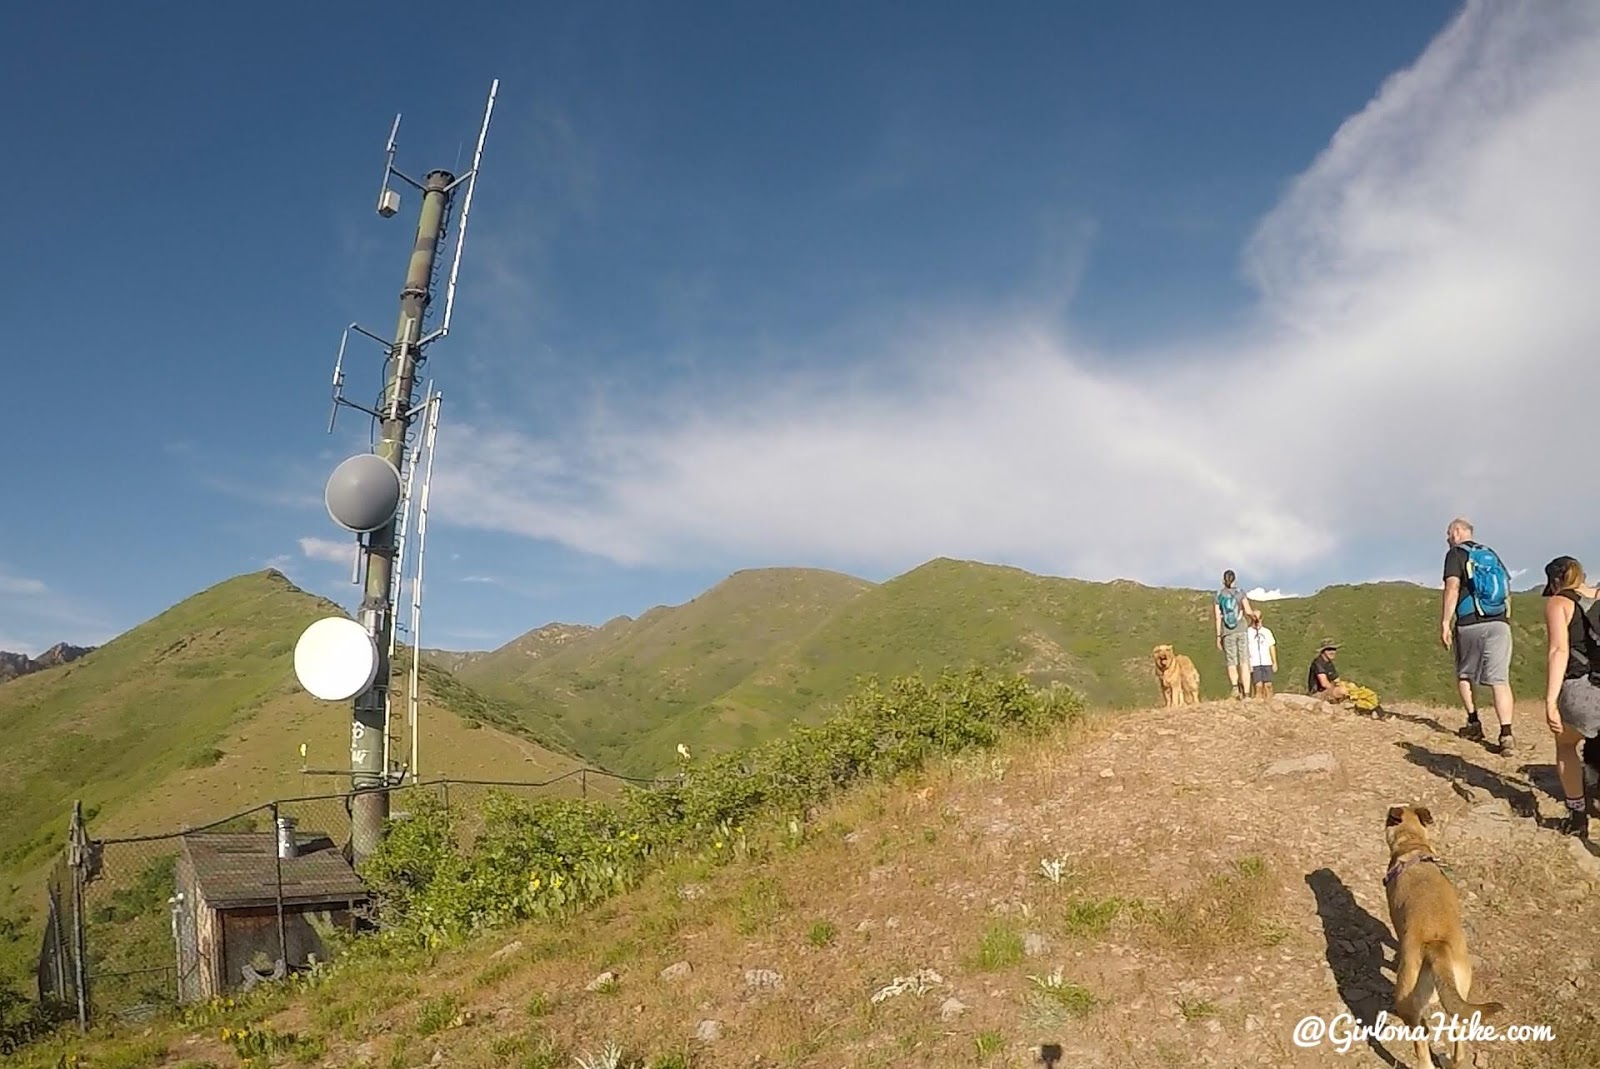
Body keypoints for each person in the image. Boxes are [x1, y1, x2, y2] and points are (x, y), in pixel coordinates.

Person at [1440, 518, 1516, 756]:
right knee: (1500, 680)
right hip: (1499, 622)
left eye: (1449, 533)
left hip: (1469, 622)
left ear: (1458, 531)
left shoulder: (1456, 554)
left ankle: (1474, 723)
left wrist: (1445, 622)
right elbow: (1506, 589)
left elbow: (1452, 588)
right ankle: (1506, 734)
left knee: (1464, 673)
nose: (1447, 539)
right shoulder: (1490, 554)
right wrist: (1505, 619)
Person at [1539, 556, 1599, 838]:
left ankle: (1578, 817)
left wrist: (1551, 701)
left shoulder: (1558, 603)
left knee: (1566, 745)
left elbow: (1558, 651)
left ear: (1555, 582)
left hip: (1581, 691)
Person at [1214, 570, 1255, 700]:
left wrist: (1218, 636)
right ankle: (1247, 694)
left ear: (1223, 581)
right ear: (1235, 580)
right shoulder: (1240, 593)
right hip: (1241, 629)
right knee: (1244, 661)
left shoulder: (1219, 595)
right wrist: (1254, 618)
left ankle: (1235, 688)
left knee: (1231, 661)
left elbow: (1217, 618)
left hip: (1227, 632)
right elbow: (1248, 611)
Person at [1246, 611, 1277, 698]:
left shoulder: (1267, 632)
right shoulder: (1247, 632)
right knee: (1258, 686)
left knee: (1268, 685)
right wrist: (1248, 663)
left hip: (1266, 661)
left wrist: (1274, 662)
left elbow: (1272, 647)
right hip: (1254, 662)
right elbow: (1245, 649)